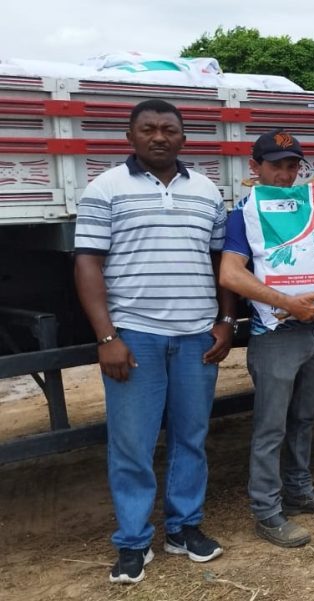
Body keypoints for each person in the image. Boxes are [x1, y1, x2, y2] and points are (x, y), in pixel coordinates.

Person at [74, 99, 231, 583]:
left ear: (184, 139)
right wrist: (107, 336)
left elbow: (223, 264)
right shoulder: (105, 189)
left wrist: (226, 321)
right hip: (135, 337)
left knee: (191, 438)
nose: (159, 137)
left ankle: (184, 529)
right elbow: (86, 264)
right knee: (132, 445)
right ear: (130, 136)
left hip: (195, 337)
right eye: (148, 129)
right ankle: (133, 542)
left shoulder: (207, 191)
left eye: (169, 130)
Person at [219, 129, 314, 547]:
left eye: (293, 165)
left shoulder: (312, 207)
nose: (285, 173)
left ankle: (299, 493)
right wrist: (286, 302)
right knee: (271, 427)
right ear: (254, 168)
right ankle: (266, 511)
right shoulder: (244, 215)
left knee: (305, 419)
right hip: (275, 334)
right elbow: (230, 273)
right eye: (276, 165)